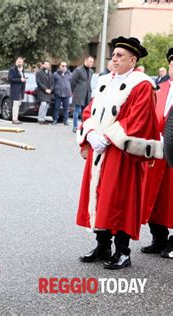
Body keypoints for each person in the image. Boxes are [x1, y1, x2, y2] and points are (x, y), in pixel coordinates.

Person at [75, 36, 161, 269]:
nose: (114, 58)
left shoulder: (141, 84)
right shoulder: (104, 81)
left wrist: (108, 137)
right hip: (99, 151)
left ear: (133, 60)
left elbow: (138, 119)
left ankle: (122, 251)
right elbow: (89, 111)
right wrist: (90, 132)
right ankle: (103, 245)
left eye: (120, 55)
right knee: (100, 198)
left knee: (121, 200)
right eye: (113, 54)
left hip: (121, 153)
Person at [141, 48, 173, 259]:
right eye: (172, 64)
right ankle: (158, 237)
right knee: (155, 197)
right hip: (156, 153)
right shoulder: (159, 88)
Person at [71, 56, 94, 133]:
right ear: (86, 61)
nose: (91, 63)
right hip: (78, 93)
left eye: (92, 62)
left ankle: (83, 126)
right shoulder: (78, 70)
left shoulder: (91, 71)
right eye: (90, 61)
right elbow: (72, 81)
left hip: (87, 94)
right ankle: (75, 126)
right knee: (77, 110)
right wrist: (73, 91)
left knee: (85, 111)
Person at [8, 56, 26, 124]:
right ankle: (14, 119)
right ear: (16, 61)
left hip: (21, 90)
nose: (20, 63)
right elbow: (10, 79)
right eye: (19, 62)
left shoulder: (22, 70)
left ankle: (16, 118)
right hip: (15, 90)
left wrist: (24, 79)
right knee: (15, 104)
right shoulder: (12, 69)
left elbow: (22, 78)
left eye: (21, 62)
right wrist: (20, 80)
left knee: (18, 104)